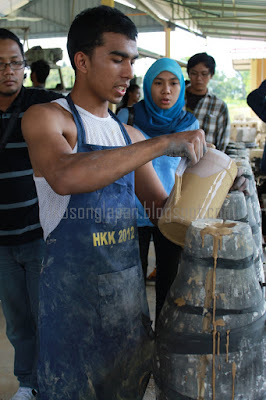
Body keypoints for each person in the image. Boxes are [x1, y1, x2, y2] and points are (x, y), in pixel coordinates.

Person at [21, 6, 206, 400]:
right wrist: (160, 144)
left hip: (127, 315)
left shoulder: (129, 135)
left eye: (132, 61)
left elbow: (164, 213)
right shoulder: (47, 119)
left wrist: (219, 183)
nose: (128, 73)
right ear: (82, 60)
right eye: (117, 58)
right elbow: (65, 174)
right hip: (72, 315)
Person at [0, 29, 63, 400]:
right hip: (2, 242)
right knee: (18, 320)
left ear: (24, 68)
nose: (8, 70)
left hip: (40, 234)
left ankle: (55, 380)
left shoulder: (44, 104)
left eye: (14, 63)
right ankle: (27, 383)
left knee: (49, 315)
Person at [117, 58, 199, 320]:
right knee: (130, 284)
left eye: (174, 83)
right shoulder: (126, 117)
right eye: (159, 83)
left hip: (172, 213)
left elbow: (193, 172)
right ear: (148, 85)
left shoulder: (190, 124)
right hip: (131, 214)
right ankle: (135, 342)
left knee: (171, 282)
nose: (166, 91)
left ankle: (164, 341)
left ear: (181, 88)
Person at [185, 52, 231, 151]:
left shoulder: (219, 106)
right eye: (194, 73)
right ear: (188, 74)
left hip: (206, 161)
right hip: (175, 161)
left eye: (204, 74)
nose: (199, 78)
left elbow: (223, 142)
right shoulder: (174, 100)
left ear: (211, 75)